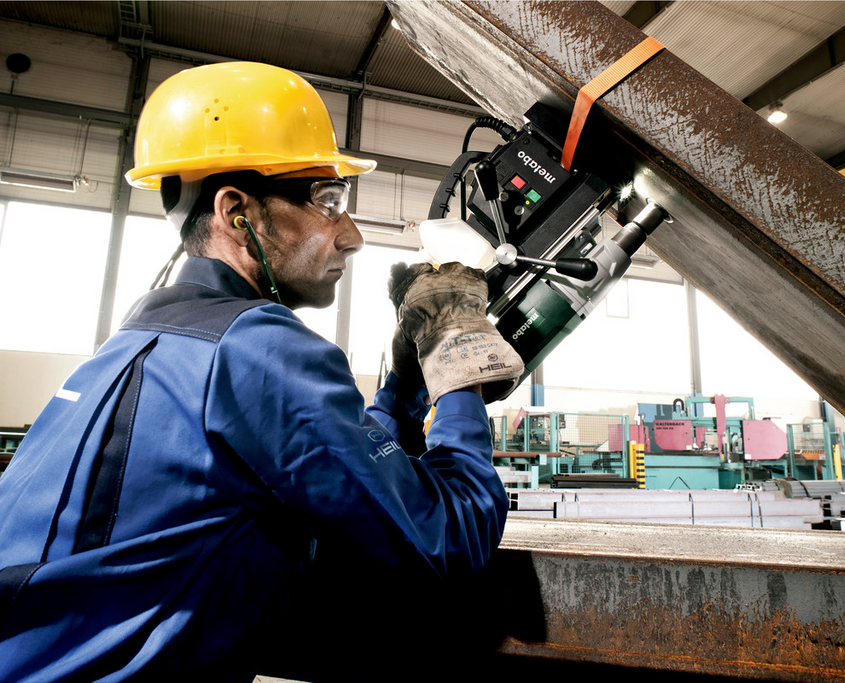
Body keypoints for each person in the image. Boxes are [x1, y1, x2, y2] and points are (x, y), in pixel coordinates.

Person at [0, 61, 524, 682]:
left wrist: (407, 386)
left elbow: (336, 468)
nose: (351, 236)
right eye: (328, 202)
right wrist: (458, 357)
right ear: (235, 211)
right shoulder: (260, 351)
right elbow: (448, 538)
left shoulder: (143, 344)